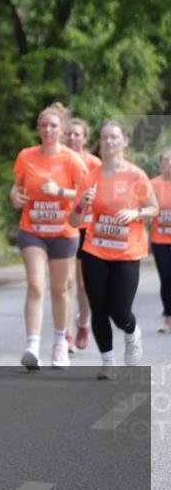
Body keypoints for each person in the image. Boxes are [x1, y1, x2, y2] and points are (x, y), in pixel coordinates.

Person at [69, 120, 157, 378]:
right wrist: (81, 205)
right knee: (98, 307)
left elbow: (153, 209)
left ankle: (132, 332)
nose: (109, 142)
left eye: (114, 138)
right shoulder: (91, 177)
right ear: (100, 142)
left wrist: (135, 212)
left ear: (124, 141)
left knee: (119, 311)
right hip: (95, 249)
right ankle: (108, 361)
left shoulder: (136, 175)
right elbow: (73, 222)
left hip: (127, 251)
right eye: (105, 138)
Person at [11, 102, 87, 370]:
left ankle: (59, 344)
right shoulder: (26, 156)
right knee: (35, 285)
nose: (48, 129)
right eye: (44, 125)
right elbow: (17, 189)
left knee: (60, 289)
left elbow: (85, 195)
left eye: (53, 125)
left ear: (62, 130)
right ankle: (32, 345)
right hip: (32, 229)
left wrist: (59, 192)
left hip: (64, 231)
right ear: (38, 128)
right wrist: (15, 196)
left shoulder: (72, 160)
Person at [65, 118, 102, 350]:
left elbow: (95, 195)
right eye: (69, 133)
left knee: (82, 282)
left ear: (86, 139)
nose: (72, 138)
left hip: (88, 225)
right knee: (66, 282)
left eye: (77, 134)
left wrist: (61, 192)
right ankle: (65, 333)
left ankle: (83, 323)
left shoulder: (94, 163)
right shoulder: (58, 159)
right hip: (64, 226)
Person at [152, 147, 171, 333]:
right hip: (159, 239)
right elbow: (147, 211)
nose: (169, 163)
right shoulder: (153, 184)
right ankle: (168, 316)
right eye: (165, 160)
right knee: (166, 278)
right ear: (160, 163)